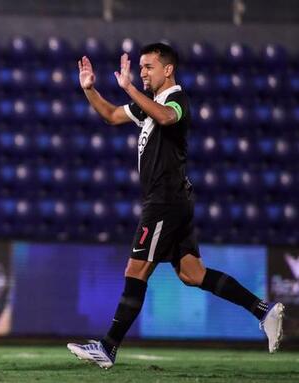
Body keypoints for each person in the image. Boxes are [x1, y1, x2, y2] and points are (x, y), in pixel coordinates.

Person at [67, 43, 284, 369]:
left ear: (168, 70)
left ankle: (108, 347)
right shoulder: (148, 104)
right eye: (140, 67)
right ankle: (263, 310)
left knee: (135, 270)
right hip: (173, 201)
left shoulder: (176, 99)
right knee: (192, 273)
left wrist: (128, 89)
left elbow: (168, 118)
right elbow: (112, 115)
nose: (142, 73)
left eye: (148, 67)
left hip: (165, 202)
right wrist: (90, 89)